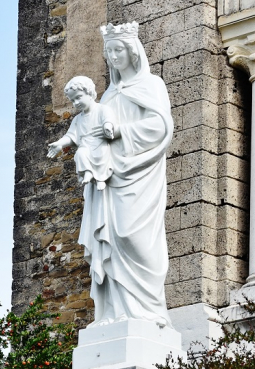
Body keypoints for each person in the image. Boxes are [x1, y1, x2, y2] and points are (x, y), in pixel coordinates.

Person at [78, 22, 174, 326]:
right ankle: (114, 313)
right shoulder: (106, 96)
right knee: (112, 241)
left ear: (133, 53)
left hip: (139, 174)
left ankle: (149, 312)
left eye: (118, 50)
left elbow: (159, 128)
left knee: (135, 237)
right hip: (108, 178)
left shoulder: (152, 86)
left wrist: (119, 132)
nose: (113, 57)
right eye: (109, 52)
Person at [47, 76, 116, 190]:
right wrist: (60, 144)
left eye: (79, 97)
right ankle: (88, 172)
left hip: (99, 144)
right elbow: (70, 136)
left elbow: (108, 119)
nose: (76, 102)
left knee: (102, 154)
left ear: (89, 93)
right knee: (80, 154)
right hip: (85, 146)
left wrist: (107, 127)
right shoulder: (77, 119)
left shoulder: (102, 109)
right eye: (73, 100)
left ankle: (101, 179)